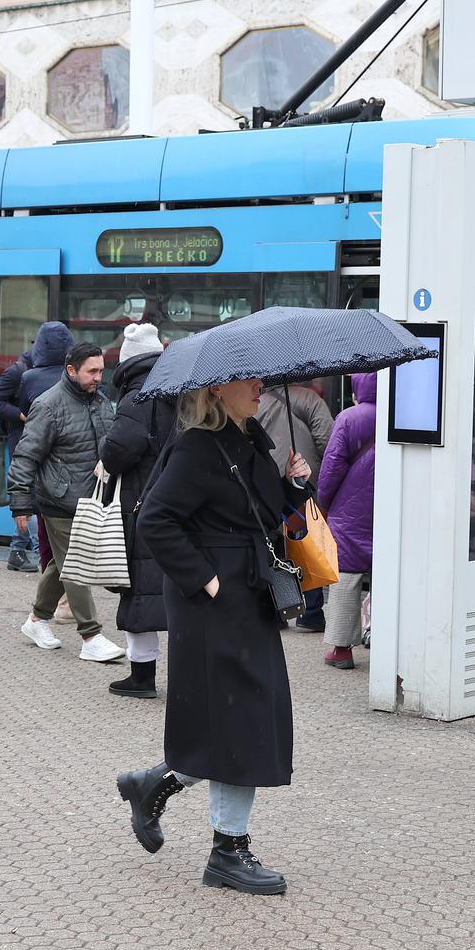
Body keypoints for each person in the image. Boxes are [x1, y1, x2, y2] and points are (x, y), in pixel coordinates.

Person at [116, 378, 312, 896]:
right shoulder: (197, 446)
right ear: (219, 389)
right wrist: (206, 580)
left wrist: (294, 486)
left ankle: (154, 783)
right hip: (214, 604)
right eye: (250, 382)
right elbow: (155, 521)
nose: (260, 388)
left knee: (245, 717)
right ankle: (228, 850)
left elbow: (265, 520)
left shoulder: (251, 441)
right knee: (238, 719)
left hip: (249, 598)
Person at [9, 341, 124, 663]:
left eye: (101, 370)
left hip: (90, 499)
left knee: (61, 565)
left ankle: (36, 621)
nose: (99, 377)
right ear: (71, 370)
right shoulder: (48, 405)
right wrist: (20, 503)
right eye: (92, 371)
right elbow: (25, 457)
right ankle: (91, 635)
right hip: (59, 502)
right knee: (77, 566)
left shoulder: (100, 402)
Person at [99, 323, 173, 698]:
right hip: (176, 503)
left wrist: (104, 441)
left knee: (141, 590)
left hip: (140, 505)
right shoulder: (180, 390)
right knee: (176, 589)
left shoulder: (136, 399)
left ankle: (142, 677)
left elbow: (117, 452)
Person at [0, 323, 71, 572]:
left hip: (47, 441)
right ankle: (42, 555)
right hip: (23, 439)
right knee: (31, 498)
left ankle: (16, 552)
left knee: (36, 498)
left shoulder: (58, 371)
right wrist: (21, 415)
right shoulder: (19, 372)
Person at [255, 382, 334, 631]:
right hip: (300, 477)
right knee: (304, 542)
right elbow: (326, 438)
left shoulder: (257, 402)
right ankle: (310, 612)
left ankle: (278, 609)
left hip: (267, 481)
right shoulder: (310, 400)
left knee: (273, 544)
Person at [315, 372, 375, 669]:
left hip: (352, 509)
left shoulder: (349, 418)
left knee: (346, 577)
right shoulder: (401, 415)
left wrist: (323, 501)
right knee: (390, 574)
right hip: (390, 506)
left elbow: (332, 465)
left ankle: (341, 650)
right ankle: (384, 635)